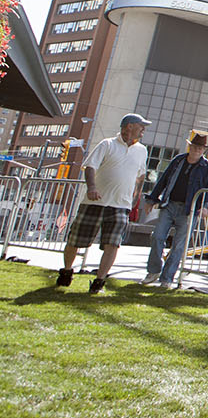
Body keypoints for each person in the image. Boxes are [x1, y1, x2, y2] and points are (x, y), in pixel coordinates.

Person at [56, 114, 151, 293]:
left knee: (113, 244)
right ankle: (67, 271)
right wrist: (91, 187)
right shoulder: (107, 144)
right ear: (129, 127)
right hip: (95, 202)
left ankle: (99, 280)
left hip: (120, 205)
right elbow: (90, 166)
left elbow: (140, 175)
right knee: (75, 240)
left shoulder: (142, 150)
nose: (144, 129)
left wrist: (135, 198)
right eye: (141, 126)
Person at [141, 133, 208, 287]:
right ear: (189, 146)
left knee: (178, 246)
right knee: (157, 236)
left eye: (200, 148)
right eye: (195, 146)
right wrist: (152, 199)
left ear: (204, 150)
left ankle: (167, 279)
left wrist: (206, 207)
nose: (197, 150)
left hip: (190, 210)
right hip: (169, 205)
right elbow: (163, 180)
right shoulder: (178, 161)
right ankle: (154, 271)